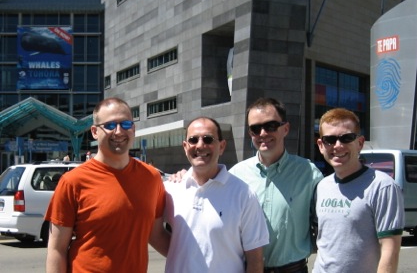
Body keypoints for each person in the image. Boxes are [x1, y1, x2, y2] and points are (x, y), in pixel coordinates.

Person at [45, 97, 170, 273]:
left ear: (133, 128)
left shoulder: (151, 177)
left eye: (126, 124)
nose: (119, 132)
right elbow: (56, 249)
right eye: (110, 126)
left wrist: (201, 258)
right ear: (95, 132)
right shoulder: (72, 181)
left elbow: (156, 235)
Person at [228, 98, 323, 273]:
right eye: (255, 128)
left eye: (271, 126)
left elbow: (328, 224)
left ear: (285, 129)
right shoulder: (235, 175)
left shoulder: (309, 173)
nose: (263, 133)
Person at [164, 117, 269, 273]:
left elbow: (255, 260)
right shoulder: (170, 189)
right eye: (193, 140)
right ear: (185, 147)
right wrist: (179, 254)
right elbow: (153, 231)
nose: (200, 145)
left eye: (208, 139)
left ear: (221, 146)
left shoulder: (243, 195)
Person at [314, 108, 404, 273]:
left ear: (360, 143)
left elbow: (390, 250)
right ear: (321, 145)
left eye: (346, 138)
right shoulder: (322, 185)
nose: (338, 146)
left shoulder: (382, 186)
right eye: (330, 140)